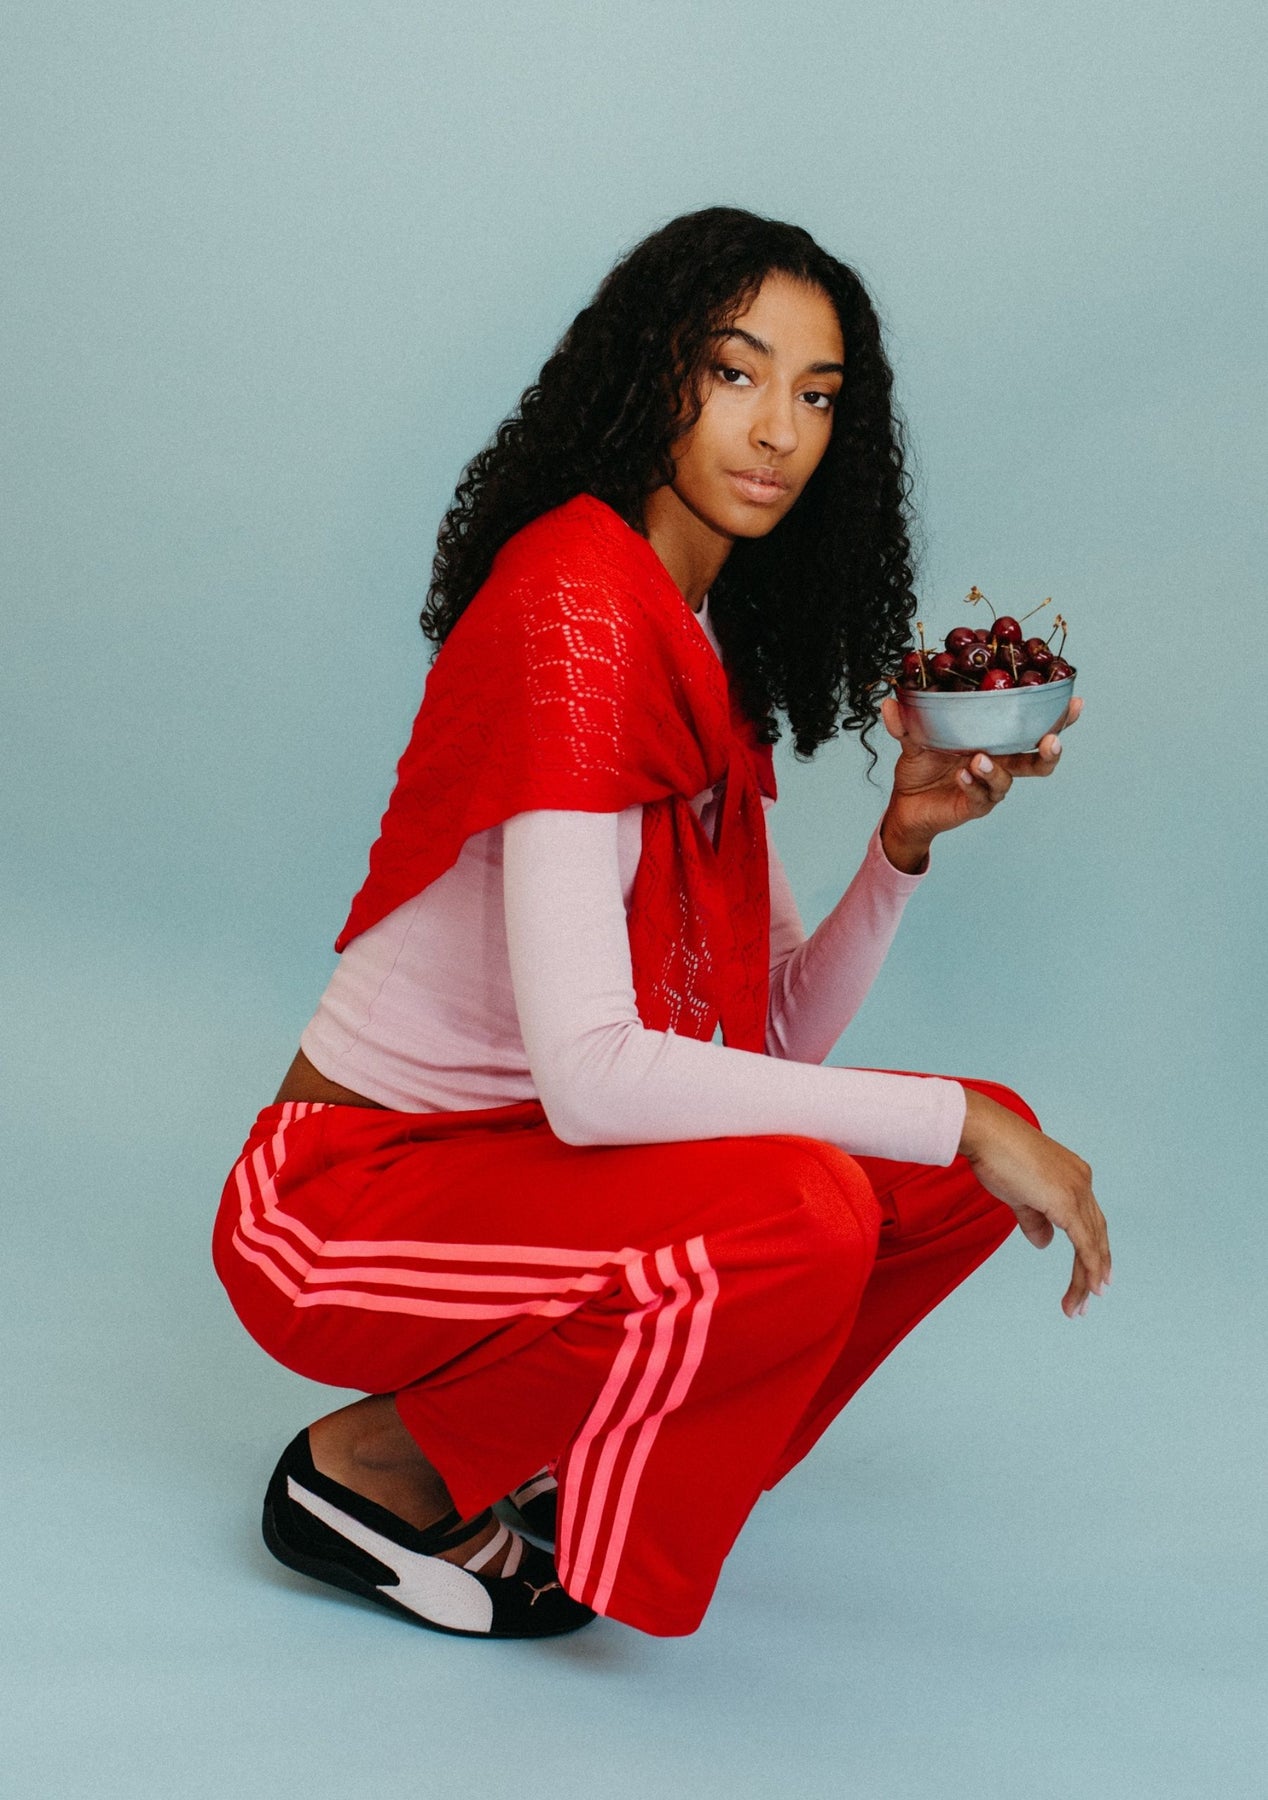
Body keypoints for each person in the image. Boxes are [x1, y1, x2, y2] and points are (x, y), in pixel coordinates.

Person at [212, 205, 1110, 1644]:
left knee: (933, 1178)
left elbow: (762, 1049)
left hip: (533, 1175)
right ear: (652, 374)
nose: (780, 431)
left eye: (818, 396)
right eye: (735, 372)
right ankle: (376, 1469)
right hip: (340, 1204)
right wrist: (959, 1116)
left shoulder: (697, 652)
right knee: (829, 1199)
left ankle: (565, 1461)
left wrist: (900, 850)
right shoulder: (575, 608)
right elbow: (594, 1075)